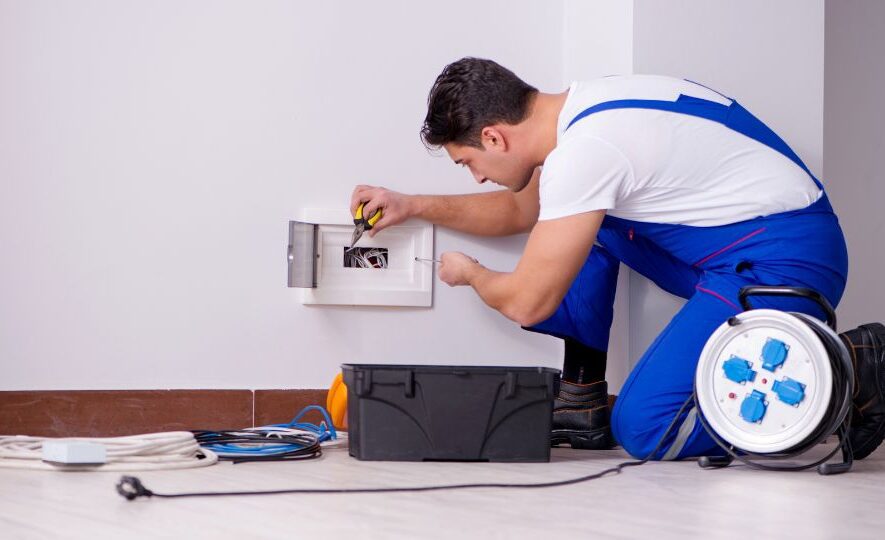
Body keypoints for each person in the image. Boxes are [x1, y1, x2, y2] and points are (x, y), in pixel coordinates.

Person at [350, 57, 885, 460]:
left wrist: (472, 275)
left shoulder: (586, 153)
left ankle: (846, 377)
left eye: (471, 161)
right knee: (588, 224)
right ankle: (581, 398)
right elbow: (521, 213)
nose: (478, 175)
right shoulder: (586, 111)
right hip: (743, 242)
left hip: (782, 260)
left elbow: (529, 303)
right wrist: (411, 206)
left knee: (648, 429)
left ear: (494, 134)